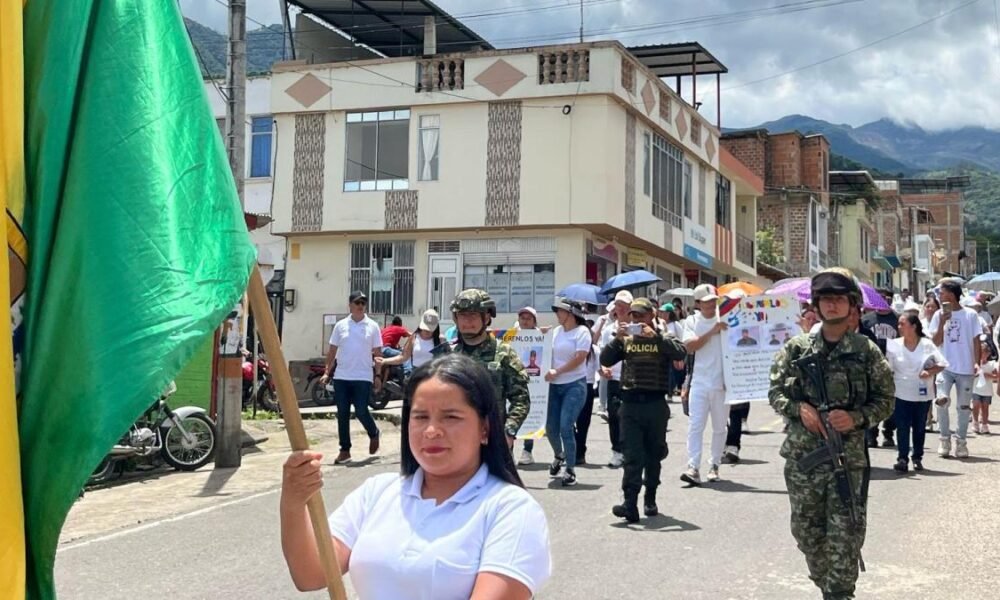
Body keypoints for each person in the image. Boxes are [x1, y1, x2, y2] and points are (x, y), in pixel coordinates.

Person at [280, 354, 552, 598]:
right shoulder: (377, 493)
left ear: (484, 428)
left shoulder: (511, 509)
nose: (432, 430)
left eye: (450, 417)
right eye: (420, 417)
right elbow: (311, 573)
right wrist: (293, 501)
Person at [769, 268, 894, 600]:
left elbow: (885, 401)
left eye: (839, 299)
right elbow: (775, 393)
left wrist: (855, 418)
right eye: (826, 299)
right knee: (806, 533)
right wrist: (800, 410)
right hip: (804, 460)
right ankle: (829, 585)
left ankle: (838, 592)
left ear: (852, 306)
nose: (833, 305)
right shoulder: (796, 349)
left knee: (846, 533)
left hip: (847, 460)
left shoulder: (866, 352)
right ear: (817, 306)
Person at [600, 298, 687, 523]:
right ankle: (630, 504)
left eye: (640, 315)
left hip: (655, 405)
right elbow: (605, 359)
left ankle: (650, 498)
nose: (635, 319)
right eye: (632, 315)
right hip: (630, 404)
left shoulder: (662, 336)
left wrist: (655, 337)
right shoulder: (626, 339)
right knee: (632, 456)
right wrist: (617, 340)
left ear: (651, 315)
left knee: (653, 455)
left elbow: (680, 353)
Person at [450, 289, 531, 452]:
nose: (467, 321)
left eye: (473, 316)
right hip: (455, 442)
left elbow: (521, 398)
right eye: (462, 316)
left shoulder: (503, 353)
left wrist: (509, 431)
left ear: (486, 317)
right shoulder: (448, 356)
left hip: (494, 442)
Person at [320, 291, 383, 465]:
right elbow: (332, 351)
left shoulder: (372, 326)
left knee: (362, 410)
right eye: (357, 302)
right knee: (343, 414)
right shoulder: (340, 326)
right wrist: (327, 372)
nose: (360, 305)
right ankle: (345, 450)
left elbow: (378, 353)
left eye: (363, 302)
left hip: (363, 376)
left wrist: (378, 374)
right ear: (350, 305)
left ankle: (373, 433)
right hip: (342, 376)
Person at [885, 314, 947, 473]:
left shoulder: (927, 344)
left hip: (922, 392)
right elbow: (888, 369)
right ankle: (902, 458)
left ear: (913, 326)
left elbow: (942, 364)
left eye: (902, 324)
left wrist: (930, 371)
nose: (899, 327)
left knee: (919, 427)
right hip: (901, 391)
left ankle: (917, 456)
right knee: (902, 426)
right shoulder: (893, 345)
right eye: (898, 324)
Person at [680, 284, 729, 485]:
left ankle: (714, 464)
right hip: (699, 381)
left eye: (713, 301)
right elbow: (690, 347)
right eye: (706, 302)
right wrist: (712, 332)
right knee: (695, 425)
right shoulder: (691, 321)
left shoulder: (725, 318)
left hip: (722, 383)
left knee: (719, 427)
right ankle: (693, 467)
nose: (711, 305)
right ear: (698, 303)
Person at [928, 279, 981, 458]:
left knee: (963, 407)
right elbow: (934, 343)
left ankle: (961, 442)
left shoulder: (970, 315)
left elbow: (976, 341)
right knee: (941, 401)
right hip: (944, 366)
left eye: (941, 293)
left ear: (951, 294)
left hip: (965, 368)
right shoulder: (938, 315)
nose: (939, 296)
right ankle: (944, 440)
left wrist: (977, 362)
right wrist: (942, 322)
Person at [543, 298, 592, 486]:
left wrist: (558, 371)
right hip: (555, 386)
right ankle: (559, 455)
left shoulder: (582, 332)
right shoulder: (556, 332)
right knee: (551, 428)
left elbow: (580, 358)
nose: (557, 314)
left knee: (566, 426)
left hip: (574, 385)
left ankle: (570, 469)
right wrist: (542, 336)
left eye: (560, 311)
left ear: (570, 314)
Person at [594, 292, 634, 468]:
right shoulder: (608, 329)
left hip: (632, 380)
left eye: (625, 304)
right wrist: (603, 369)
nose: (621, 308)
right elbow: (602, 354)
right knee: (614, 416)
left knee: (630, 417)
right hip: (613, 380)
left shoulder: (637, 328)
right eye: (618, 304)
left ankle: (629, 450)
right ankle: (617, 451)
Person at [862, 291, 900, 448]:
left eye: (885, 298)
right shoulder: (866, 320)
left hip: (893, 366)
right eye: (879, 298)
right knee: (872, 401)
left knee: (891, 402)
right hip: (872, 366)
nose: (882, 301)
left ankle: (888, 433)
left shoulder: (898, 319)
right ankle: (871, 434)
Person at [380, 309, 443, 374]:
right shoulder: (414, 337)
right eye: (425, 328)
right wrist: (384, 361)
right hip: (416, 376)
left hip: (433, 376)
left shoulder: (440, 340)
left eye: (430, 329)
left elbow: (447, 361)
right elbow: (403, 357)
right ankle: (407, 372)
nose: (427, 331)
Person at [574, 320, 600, 466]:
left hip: (588, 386)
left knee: (583, 423)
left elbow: (599, 369)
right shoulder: (573, 349)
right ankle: (574, 448)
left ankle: (580, 452)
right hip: (572, 385)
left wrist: (605, 372)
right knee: (568, 422)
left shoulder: (595, 350)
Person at [972, 334, 996, 435]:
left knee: (985, 407)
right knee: (975, 406)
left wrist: (988, 375)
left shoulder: (992, 364)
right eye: (981, 352)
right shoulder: (975, 364)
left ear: (989, 353)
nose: (984, 354)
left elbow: (996, 376)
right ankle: (975, 423)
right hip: (976, 389)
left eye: (986, 352)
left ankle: (985, 425)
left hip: (987, 390)